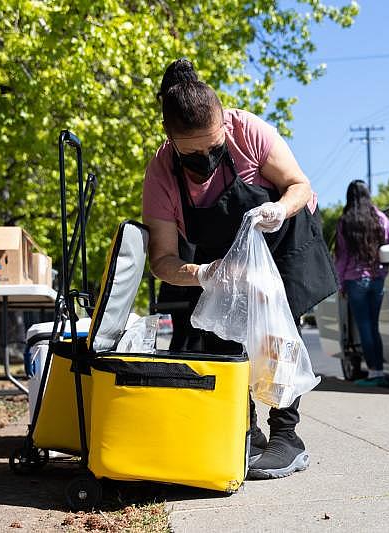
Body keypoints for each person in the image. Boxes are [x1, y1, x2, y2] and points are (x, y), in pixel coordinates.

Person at [142, 59, 337, 479]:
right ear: (170, 141)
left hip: (280, 238)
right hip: (217, 258)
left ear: (224, 126)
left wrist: (278, 210)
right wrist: (204, 274)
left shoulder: (249, 131)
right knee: (220, 333)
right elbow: (162, 259)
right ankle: (245, 430)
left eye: (214, 148)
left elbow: (298, 184)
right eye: (192, 154)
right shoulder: (160, 174)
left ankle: (287, 436)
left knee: (277, 332)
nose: (207, 160)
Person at [334, 180, 389, 387]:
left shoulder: (345, 222)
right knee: (374, 327)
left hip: (355, 282)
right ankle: (379, 371)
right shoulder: (379, 218)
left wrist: (340, 284)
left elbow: (342, 257)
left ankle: (374, 374)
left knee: (364, 328)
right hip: (378, 279)